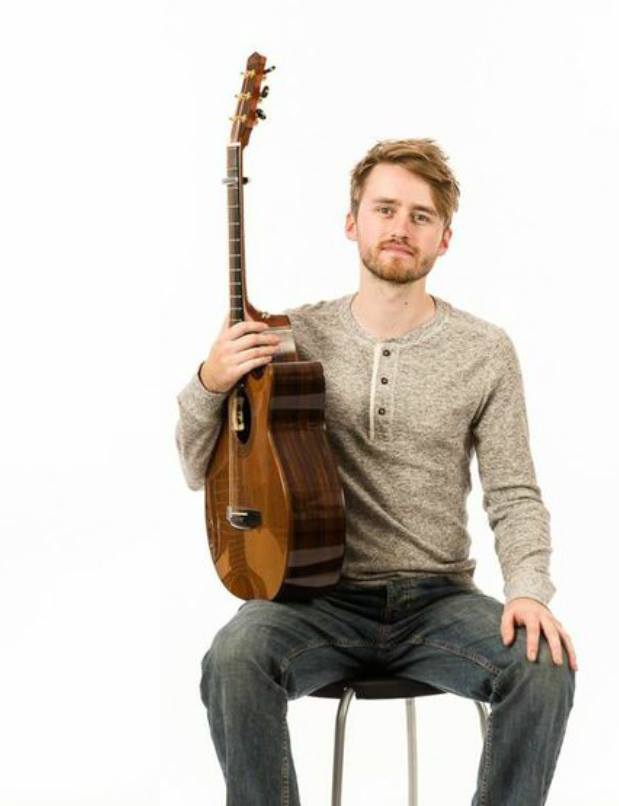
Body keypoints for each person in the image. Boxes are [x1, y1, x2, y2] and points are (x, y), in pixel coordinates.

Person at [174, 138, 578, 805]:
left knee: (543, 665)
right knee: (234, 658)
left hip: (439, 601)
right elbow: (198, 468)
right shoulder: (287, 339)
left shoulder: (485, 350)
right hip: (313, 600)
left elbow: (514, 493)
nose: (400, 227)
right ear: (352, 222)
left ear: (444, 239)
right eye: (384, 209)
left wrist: (529, 590)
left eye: (421, 216)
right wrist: (209, 382)